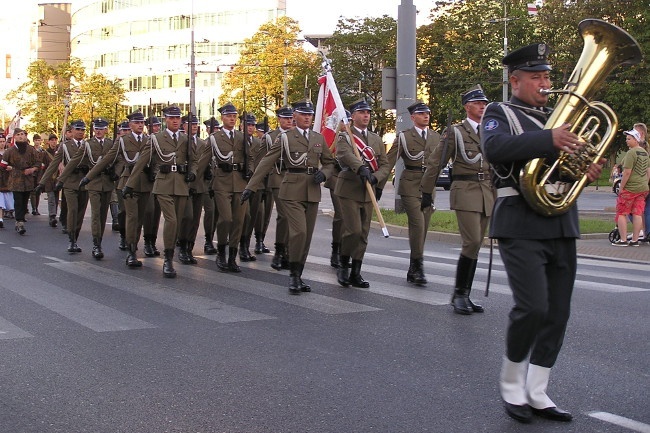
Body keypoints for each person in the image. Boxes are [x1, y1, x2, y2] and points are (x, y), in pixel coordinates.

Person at [482, 42, 603, 423]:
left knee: (557, 312)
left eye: (547, 76)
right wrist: (548, 140)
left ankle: (538, 391)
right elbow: (496, 148)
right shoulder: (498, 111)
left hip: (561, 220)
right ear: (515, 80)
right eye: (536, 77)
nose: (545, 83)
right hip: (520, 219)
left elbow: (563, 169)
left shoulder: (556, 118)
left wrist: (583, 168)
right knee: (532, 306)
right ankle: (512, 385)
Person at [241, 100, 335, 294]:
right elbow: (267, 161)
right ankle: (292, 276)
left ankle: (298, 274)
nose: (308, 117)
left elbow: (329, 162)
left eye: (310, 114)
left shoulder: (318, 138)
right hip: (291, 189)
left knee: (307, 237)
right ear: (295, 117)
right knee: (299, 232)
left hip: (312, 190)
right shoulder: (285, 138)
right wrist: (251, 187)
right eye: (303, 114)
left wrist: (324, 173)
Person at [421, 85, 495, 315]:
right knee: (471, 241)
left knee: (477, 244)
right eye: (478, 103)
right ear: (467, 106)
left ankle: (465, 293)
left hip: (487, 192)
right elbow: (436, 162)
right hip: (465, 190)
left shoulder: (492, 130)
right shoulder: (455, 132)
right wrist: (426, 191)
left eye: (484, 103)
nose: (483, 106)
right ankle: (458, 294)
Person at [123, 105, 198, 278]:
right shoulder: (156, 138)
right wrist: (130, 184)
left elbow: (193, 160)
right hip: (163, 184)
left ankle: (170, 255)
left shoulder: (186, 139)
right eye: (172, 118)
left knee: (179, 221)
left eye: (178, 118)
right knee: (171, 220)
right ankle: (168, 260)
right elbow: (142, 161)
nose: (175, 121)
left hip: (180, 184)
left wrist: (192, 173)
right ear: (165, 120)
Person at [384, 101, 441, 285]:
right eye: (422, 113)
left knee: (423, 227)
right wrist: (377, 182)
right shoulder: (404, 137)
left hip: (428, 187)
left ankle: (413, 267)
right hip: (410, 184)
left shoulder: (436, 137)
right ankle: (419, 267)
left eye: (428, 113)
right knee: (417, 224)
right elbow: (389, 160)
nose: (426, 116)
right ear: (413, 117)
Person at [333, 100, 390, 287]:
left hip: (368, 191)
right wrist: (361, 168)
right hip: (349, 188)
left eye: (368, 113)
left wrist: (377, 177)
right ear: (354, 116)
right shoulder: (345, 136)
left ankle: (356, 271)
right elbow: (344, 154)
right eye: (362, 112)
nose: (366, 115)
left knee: (364, 233)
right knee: (353, 230)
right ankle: (343, 265)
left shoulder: (375, 139)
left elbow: (385, 164)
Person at [63, 118, 115, 259]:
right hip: (91, 182)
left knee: (102, 216)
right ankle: (93, 244)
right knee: (94, 214)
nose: (98, 131)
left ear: (106, 129)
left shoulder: (111, 143)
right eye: (96, 128)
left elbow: (118, 159)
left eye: (101, 128)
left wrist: (116, 172)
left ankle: (98, 242)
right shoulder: (87, 144)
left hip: (106, 182)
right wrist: (60, 180)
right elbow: (72, 162)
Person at [208, 102, 251, 272]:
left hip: (240, 182)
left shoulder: (242, 137)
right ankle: (221, 253)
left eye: (234, 116)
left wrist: (250, 171)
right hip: (222, 182)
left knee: (238, 221)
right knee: (226, 219)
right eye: (228, 116)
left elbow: (251, 157)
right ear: (222, 118)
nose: (232, 119)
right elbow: (204, 159)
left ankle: (232, 257)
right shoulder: (215, 138)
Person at [37, 120, 90, 252]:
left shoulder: (88, 145)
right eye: (78, 129)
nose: (80, 132)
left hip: (84, 183)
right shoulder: (65, 146)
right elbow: (54, 164)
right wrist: (42, 183)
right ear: (71, 131)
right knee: (72, 210)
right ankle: (71, 240)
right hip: (70, 182)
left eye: (83, 130)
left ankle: (75, 238)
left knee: (80, 213)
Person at [177, 113, 212, 265]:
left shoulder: (203, 143)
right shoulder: (179, 141)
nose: (194, 126)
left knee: (196, 219)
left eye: (196, 124)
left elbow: (206, 162)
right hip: (184, 184)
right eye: (191, 124)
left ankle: (189, 247)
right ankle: (182, 245)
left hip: (200, 185)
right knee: (187, 217)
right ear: (183, 126)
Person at [264, 105, 294, 271]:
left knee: (291, 216)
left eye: (291, 118)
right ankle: (279, 251)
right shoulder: (271, 137)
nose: (289, 121)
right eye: (285, 118)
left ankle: (287, 252)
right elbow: (263, 161)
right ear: (279, 119)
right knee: (284, 215)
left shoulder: (295, 135)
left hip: (293, 179)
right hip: (277, 177)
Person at [611, 128, 649, 246]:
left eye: (629, 139)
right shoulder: (644, 153)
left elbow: (627, 172)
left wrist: (621, 187)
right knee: (637, 212)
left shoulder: (631, 153)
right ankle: (635, 240)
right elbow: (648, 171)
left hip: (630, 188)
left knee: (622, 212)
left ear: (636, 140)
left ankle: (623, 240)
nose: (627, 141)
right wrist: (645, 183)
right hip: (642, 188)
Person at [0, 129, 40, 234]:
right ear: (14, 137)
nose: (21, 136)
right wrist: (9, 167)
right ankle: (19, 222)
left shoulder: (31, 150)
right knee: (18, 201)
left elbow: (38, 163)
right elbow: (3, 165)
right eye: (18, 135)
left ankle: (21, 218)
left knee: (24, 201)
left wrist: (32, 169)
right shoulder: (10, 151)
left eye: (22, 134)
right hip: (15, 179)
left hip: (28, 180)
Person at [43, 134, 60, 227]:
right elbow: (43, 167)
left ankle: (54, 214)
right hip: (49, 179)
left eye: (55, 140)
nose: (54, 142)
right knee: (51, 198)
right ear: (48, 142)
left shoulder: (59, 152)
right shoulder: (45, 154)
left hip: (58, 178)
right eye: (52, 140)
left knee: (56, 198)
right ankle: (52, 216)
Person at [0, 133, 13, 228]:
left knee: (6, 202)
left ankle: (2, 216)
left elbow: (15, 164)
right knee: (0, 202)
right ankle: (0, 219)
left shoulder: (8, 153)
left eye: (3, 141)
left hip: (7, 180)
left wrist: (11, 167)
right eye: (0, 142)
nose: (2, 143)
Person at [30, 133, 45, 215]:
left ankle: (36, 208)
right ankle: (33, 208)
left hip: (40, 173)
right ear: (33, 141)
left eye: (39, 140)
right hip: (32, 173)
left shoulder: (43, 151)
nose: (37, 142)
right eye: (36, 140)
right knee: (32, 191)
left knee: (38, 191)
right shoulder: (30, 150)